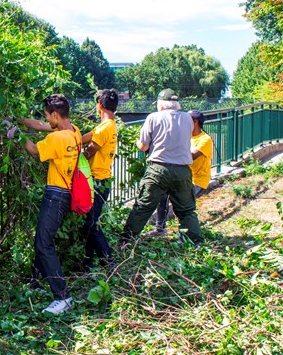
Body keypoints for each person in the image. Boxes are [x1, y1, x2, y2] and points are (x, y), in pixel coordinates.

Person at [12, 94, 78, 315]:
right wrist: (20, 120)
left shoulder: (56, 139)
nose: (47, 120)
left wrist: (15, 134)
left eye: (49, 116)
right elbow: (41, 126)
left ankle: (62, 296)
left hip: (55, 195)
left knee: (43, 243)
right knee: (43, 239)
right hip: (66, 193)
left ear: (56, 115)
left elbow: (33, 150)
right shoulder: (73, 132)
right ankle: (36, 280)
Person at [119, 89, 203, 247]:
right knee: (186, 209)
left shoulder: (153, 117)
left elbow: (143, 146)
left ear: (161, 105)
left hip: (158, 169)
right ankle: (195, 241)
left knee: (143, 206)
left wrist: (139, 142)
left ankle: (126, 240)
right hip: (182, 169)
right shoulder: (188, 119)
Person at [149, 110, 213, 236]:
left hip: (197, 179)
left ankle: (186, 234)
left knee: (182, 204)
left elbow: (190, 157)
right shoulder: (185, 136)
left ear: (195, 122)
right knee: (162, 196)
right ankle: (160, 229)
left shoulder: (205, 139)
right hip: (181, 177)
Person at [80, 89, 119, 270]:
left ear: (100, 106)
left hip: (97, 182)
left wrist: (74, 155)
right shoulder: (108, 126)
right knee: (90, 221)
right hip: (103, 181)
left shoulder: (104, 129)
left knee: (91, 222)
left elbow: (88, 152)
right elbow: (82, 138)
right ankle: (87, 262)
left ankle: (108, 261)